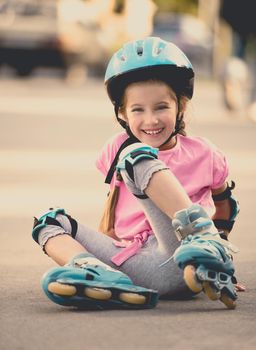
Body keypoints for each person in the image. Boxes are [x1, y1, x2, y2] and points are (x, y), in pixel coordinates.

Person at [32, 37, 240, 310]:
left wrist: (217, 258)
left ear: (181, 107)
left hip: (182, 258)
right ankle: (96, 272)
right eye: (138, 110)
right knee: (48, 222)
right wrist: (104, 242)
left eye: (161, 107)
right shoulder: (117, 147)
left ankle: (199, 237)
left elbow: (225, 206)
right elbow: (114, 201)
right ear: (122, 114)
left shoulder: (204, 152)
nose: (151, 120)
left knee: (134, 156)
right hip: (134, 264)